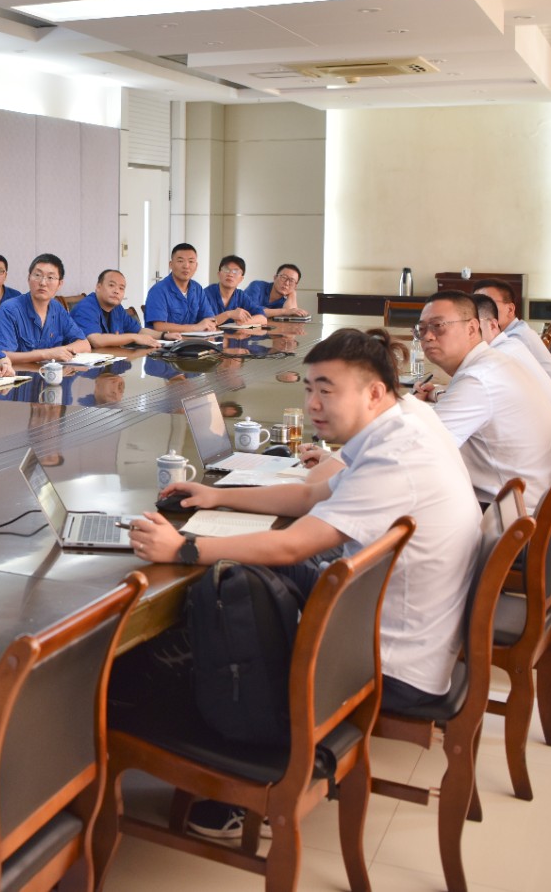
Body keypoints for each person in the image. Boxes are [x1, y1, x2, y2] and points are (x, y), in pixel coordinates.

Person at [123, 328, 482, 836]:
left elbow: (295, 544)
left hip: (387, 659)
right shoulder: (405, 422)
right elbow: (310, 497)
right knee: (246, 578)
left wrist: (183, 548)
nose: (313, 404)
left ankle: (247, 768)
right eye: (309, 388)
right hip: (390, 625)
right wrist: (218, 495)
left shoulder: (395, 458)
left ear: (374, 392)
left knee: (240, 576)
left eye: (326, 390)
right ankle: (201, 661)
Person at [412, 291, 551, 511]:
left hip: (514, 516)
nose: (427, 337)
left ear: (472, 328)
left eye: (438, 326)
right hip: (537, 497)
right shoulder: (494, 362)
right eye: (421, 329)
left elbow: (420, 451)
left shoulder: (478, 378)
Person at [471, 278, 551, 402]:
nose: (479, 310)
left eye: (488, 303)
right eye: (475, 305)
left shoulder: (516, 339)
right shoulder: (517, 331)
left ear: (510, 310)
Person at [0, 253, 90, 364]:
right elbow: (2, 356)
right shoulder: (9, 310)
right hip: (20, 373)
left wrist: (61, 351)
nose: (42, 283)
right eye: (37, 275)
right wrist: (47, 354)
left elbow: (84, 344)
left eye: (50, 277)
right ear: (28, 278)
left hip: (52, 374)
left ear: (60, 284)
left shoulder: (57, 309)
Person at [69, 269, 169, 349]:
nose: (117, 291)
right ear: (98, 287)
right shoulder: (86, 307)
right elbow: (96, 340)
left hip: (111, 359)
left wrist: (164, 335)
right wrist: (133, 337)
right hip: (86, 366)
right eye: (111, 285)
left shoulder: (117, 308)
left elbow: (139, 331)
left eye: (121, 288)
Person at [142, 244, 218, 332]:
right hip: (164, 340)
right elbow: (159, 327)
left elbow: (209, 319)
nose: (186, 266)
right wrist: (196, 327)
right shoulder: (158, 290)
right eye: (180, 261)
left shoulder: (197, 289)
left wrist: (210, 325)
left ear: (196, 266)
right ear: (171, 265)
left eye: (191, 261)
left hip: (194, 339)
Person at [203, 255, 267, 325]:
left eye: (235, 271)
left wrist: (243, 322)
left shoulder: (241, 296)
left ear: (241, 279)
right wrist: (229, 314)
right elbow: (204, 323)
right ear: (219, 274)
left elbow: (263, 318)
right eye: (226, 270)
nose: (230, 274)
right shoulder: (206, 294)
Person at [244, 263, 309, 317]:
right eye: (284, 277)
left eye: (292, 281)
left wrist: (293, 294)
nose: (286, 283)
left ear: (295, 286)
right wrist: (284, 311)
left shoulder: (287, 301)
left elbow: (290, 316)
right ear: (275, 278)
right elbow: (250, 310)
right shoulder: (257, 286)